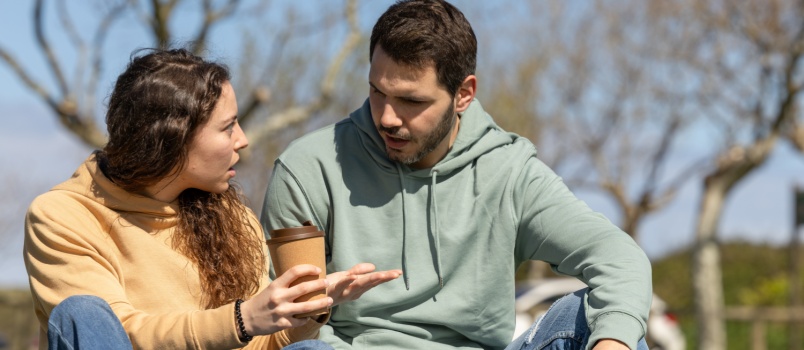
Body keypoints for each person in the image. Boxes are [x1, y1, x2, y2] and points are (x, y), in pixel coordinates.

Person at [261, 1, 652, 349]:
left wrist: (612, 341)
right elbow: (285, 323)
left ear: (464, 94)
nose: (386, 117)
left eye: (412, 101)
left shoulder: (509, 171)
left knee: (593, 316)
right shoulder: (307, 169)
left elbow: (620, 259)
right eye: (377, 91)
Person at [23, 48, 400, 350]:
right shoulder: (61, 216)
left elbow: (261, 342)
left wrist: (307, 308)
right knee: (82, 313)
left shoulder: (226, 211)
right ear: (173, 139)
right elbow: (119, 335)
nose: (243, 140)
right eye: (227, 126)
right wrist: (242, 318)